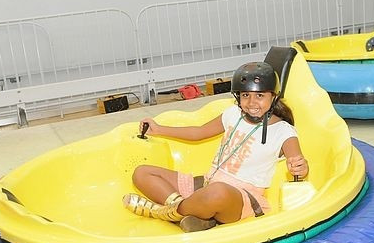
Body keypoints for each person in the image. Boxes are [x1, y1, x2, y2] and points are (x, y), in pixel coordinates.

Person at [122, 61, 309, 232]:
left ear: (274, 97)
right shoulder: (233, 113)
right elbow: (198, 132)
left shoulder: (283, 131)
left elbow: (298, 162)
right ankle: (193, 214)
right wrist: (159, 129)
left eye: (260, 95)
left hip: (239, 198)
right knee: (142, 173)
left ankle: (164, 212)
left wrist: (301, 167)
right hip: (207, 183)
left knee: (218, 192)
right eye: (245, 95)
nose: (252, 102)